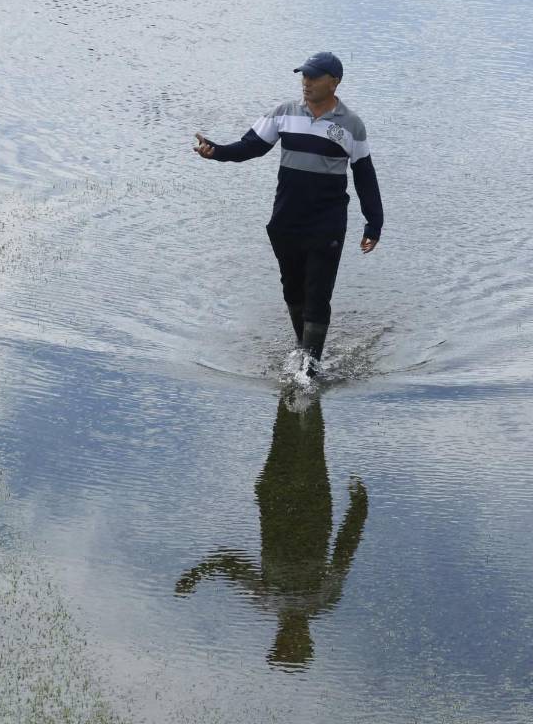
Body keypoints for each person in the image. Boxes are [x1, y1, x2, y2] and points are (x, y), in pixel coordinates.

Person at [194, 51, 383, 372]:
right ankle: (303, 350)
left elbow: (364, 175)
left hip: (327, 223)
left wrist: (374, 223)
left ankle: (309, 368)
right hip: (285, 222)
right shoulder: (284, 113)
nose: (306, 83)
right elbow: (249, 146)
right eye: (303, 76)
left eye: (314, 77)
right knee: (293, 291)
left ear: (334, 82)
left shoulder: (351, 125)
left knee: (318, 295)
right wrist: (217, 152)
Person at [174, 397, 369, 670]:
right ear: (307, 641)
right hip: (311, 502)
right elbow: (344, 551)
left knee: (287, 432)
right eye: (292, 645)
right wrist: (359, 509)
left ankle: (297, 378)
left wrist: (198, 573)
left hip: (277, 497)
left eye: (284, 644)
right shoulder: (321, 600)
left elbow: (229, 563)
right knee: (309, 438)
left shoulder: (267, 600)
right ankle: (303, 380)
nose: (289, 639)